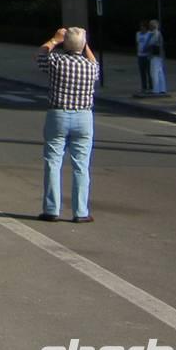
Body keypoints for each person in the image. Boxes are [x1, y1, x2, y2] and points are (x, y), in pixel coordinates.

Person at [36, 26, 100, 222]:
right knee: (81, 165)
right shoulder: (91, 67)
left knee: (53, 162)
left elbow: (41, 53)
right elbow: (94, 62)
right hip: (83, 117)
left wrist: (55, 40)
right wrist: (83, 43)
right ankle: (81, 211)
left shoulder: (57, 62)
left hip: (59, 114)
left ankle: (51, 209)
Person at [146, 19, 168, 95]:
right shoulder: (158, 33)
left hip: (155, 56)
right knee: (160, 72)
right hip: (159, 56)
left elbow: (152, 44)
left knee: (154, 72)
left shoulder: (155, 34)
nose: (149, 26)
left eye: (150, 25)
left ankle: (156, 89)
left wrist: (149, 46)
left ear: (153, 26)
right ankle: (162, 88)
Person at [134, 21, 153, 94]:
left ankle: (151, 87)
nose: (142, 29)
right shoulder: (138, 34)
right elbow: (137, 43)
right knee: (142, 72)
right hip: (140, 55)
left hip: (147, 55)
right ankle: (144, 87)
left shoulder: (149, 34)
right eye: (141, 27)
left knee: (149, 72)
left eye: (143, 27)